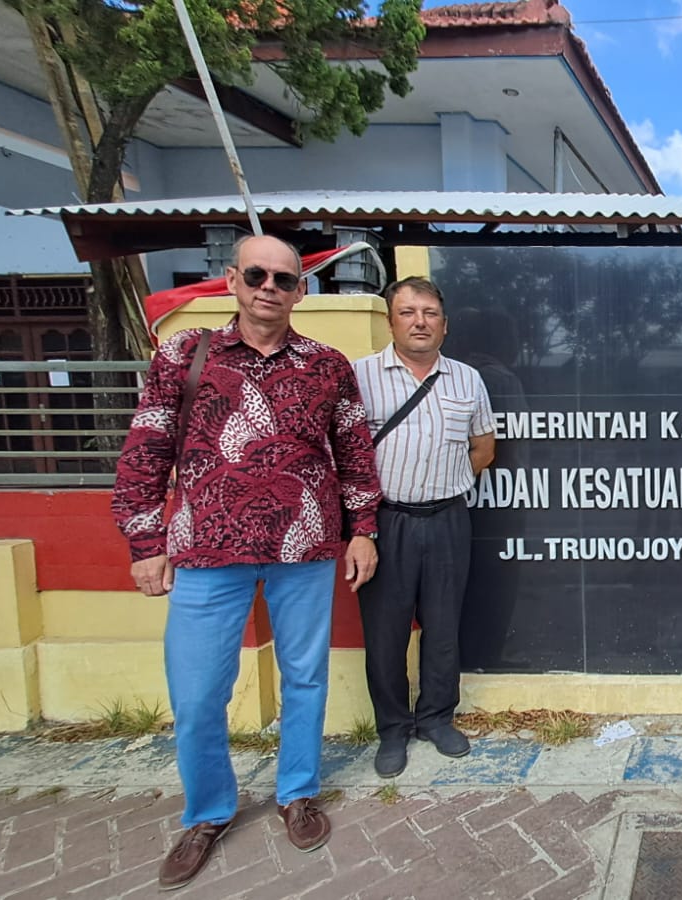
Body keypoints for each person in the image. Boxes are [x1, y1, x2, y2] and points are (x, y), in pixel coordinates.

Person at [112, 235, 382, 889]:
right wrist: (146, 544)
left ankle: (297, 793)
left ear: (301, 291)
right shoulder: (184, 354)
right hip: (207, 551)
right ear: (232, 279)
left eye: (284, 279)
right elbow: (145, 452)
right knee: (200, 694)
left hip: (304, 548)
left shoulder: (327, 365)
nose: (270, 287)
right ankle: (207, 813)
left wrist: (363, 528)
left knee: (305, 680)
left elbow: (353, 452)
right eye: (257, 274)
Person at [352, 277, 496, 777]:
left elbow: (484, 448)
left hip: (448, 519)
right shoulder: (361, 376)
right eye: (408, 312)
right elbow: (345, 456)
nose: (420, 321)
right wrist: (361, 528)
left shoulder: (466, 380)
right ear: (391, 320)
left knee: (443, 629)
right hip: (384, 523)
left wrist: (446, 482)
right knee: (386, 634)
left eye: (430, 312)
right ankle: (392, 729)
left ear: (445, 324)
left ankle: (436, 717)